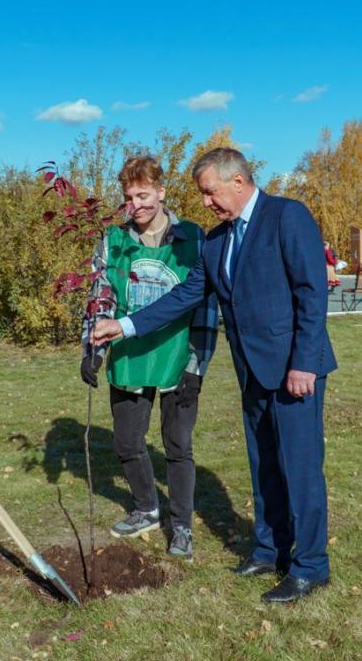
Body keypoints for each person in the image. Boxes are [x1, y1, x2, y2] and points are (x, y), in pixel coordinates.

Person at [92, 148, 337, 604]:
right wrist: (123, 326)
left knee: (299, 470)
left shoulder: (287, 216)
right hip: (253, 370)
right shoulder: (217, 240)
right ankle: (269, 550)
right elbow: (185, 294)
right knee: (263, 463)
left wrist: (304, 362)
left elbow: (312, 291)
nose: (205, 203)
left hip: (294, 371)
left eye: (210, 192)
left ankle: (311, 566)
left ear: (238, 182)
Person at [80, 155, 217, 560]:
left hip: (178, 359)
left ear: (161, 191)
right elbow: (101, 295)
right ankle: (146, 507)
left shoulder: (193, 239)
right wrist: (94, 348)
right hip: (130, 355)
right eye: (128, 197)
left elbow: (206, 305)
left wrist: (198, 364)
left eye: (144, 195)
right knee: (127, 442)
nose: (136, 205)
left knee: (177, 445)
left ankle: (182, 526)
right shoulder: (113, 241)